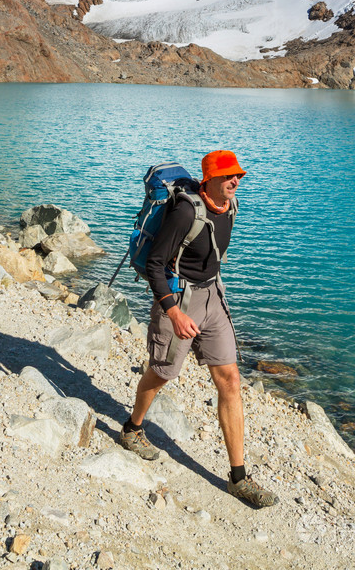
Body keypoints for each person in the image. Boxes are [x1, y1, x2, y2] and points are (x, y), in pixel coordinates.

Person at [119, 149, 278, 508]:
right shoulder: (185, 211)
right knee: (162, 373)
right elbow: (157, 265)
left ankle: (238, 477)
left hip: (212, 298)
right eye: (228, 177)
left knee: (231, 381)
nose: (236, 181)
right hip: (178, 299)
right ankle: (132, 429)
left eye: (238, 176)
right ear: (209, 180)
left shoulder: (231, 207)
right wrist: (174, 313)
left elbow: (211, 257)